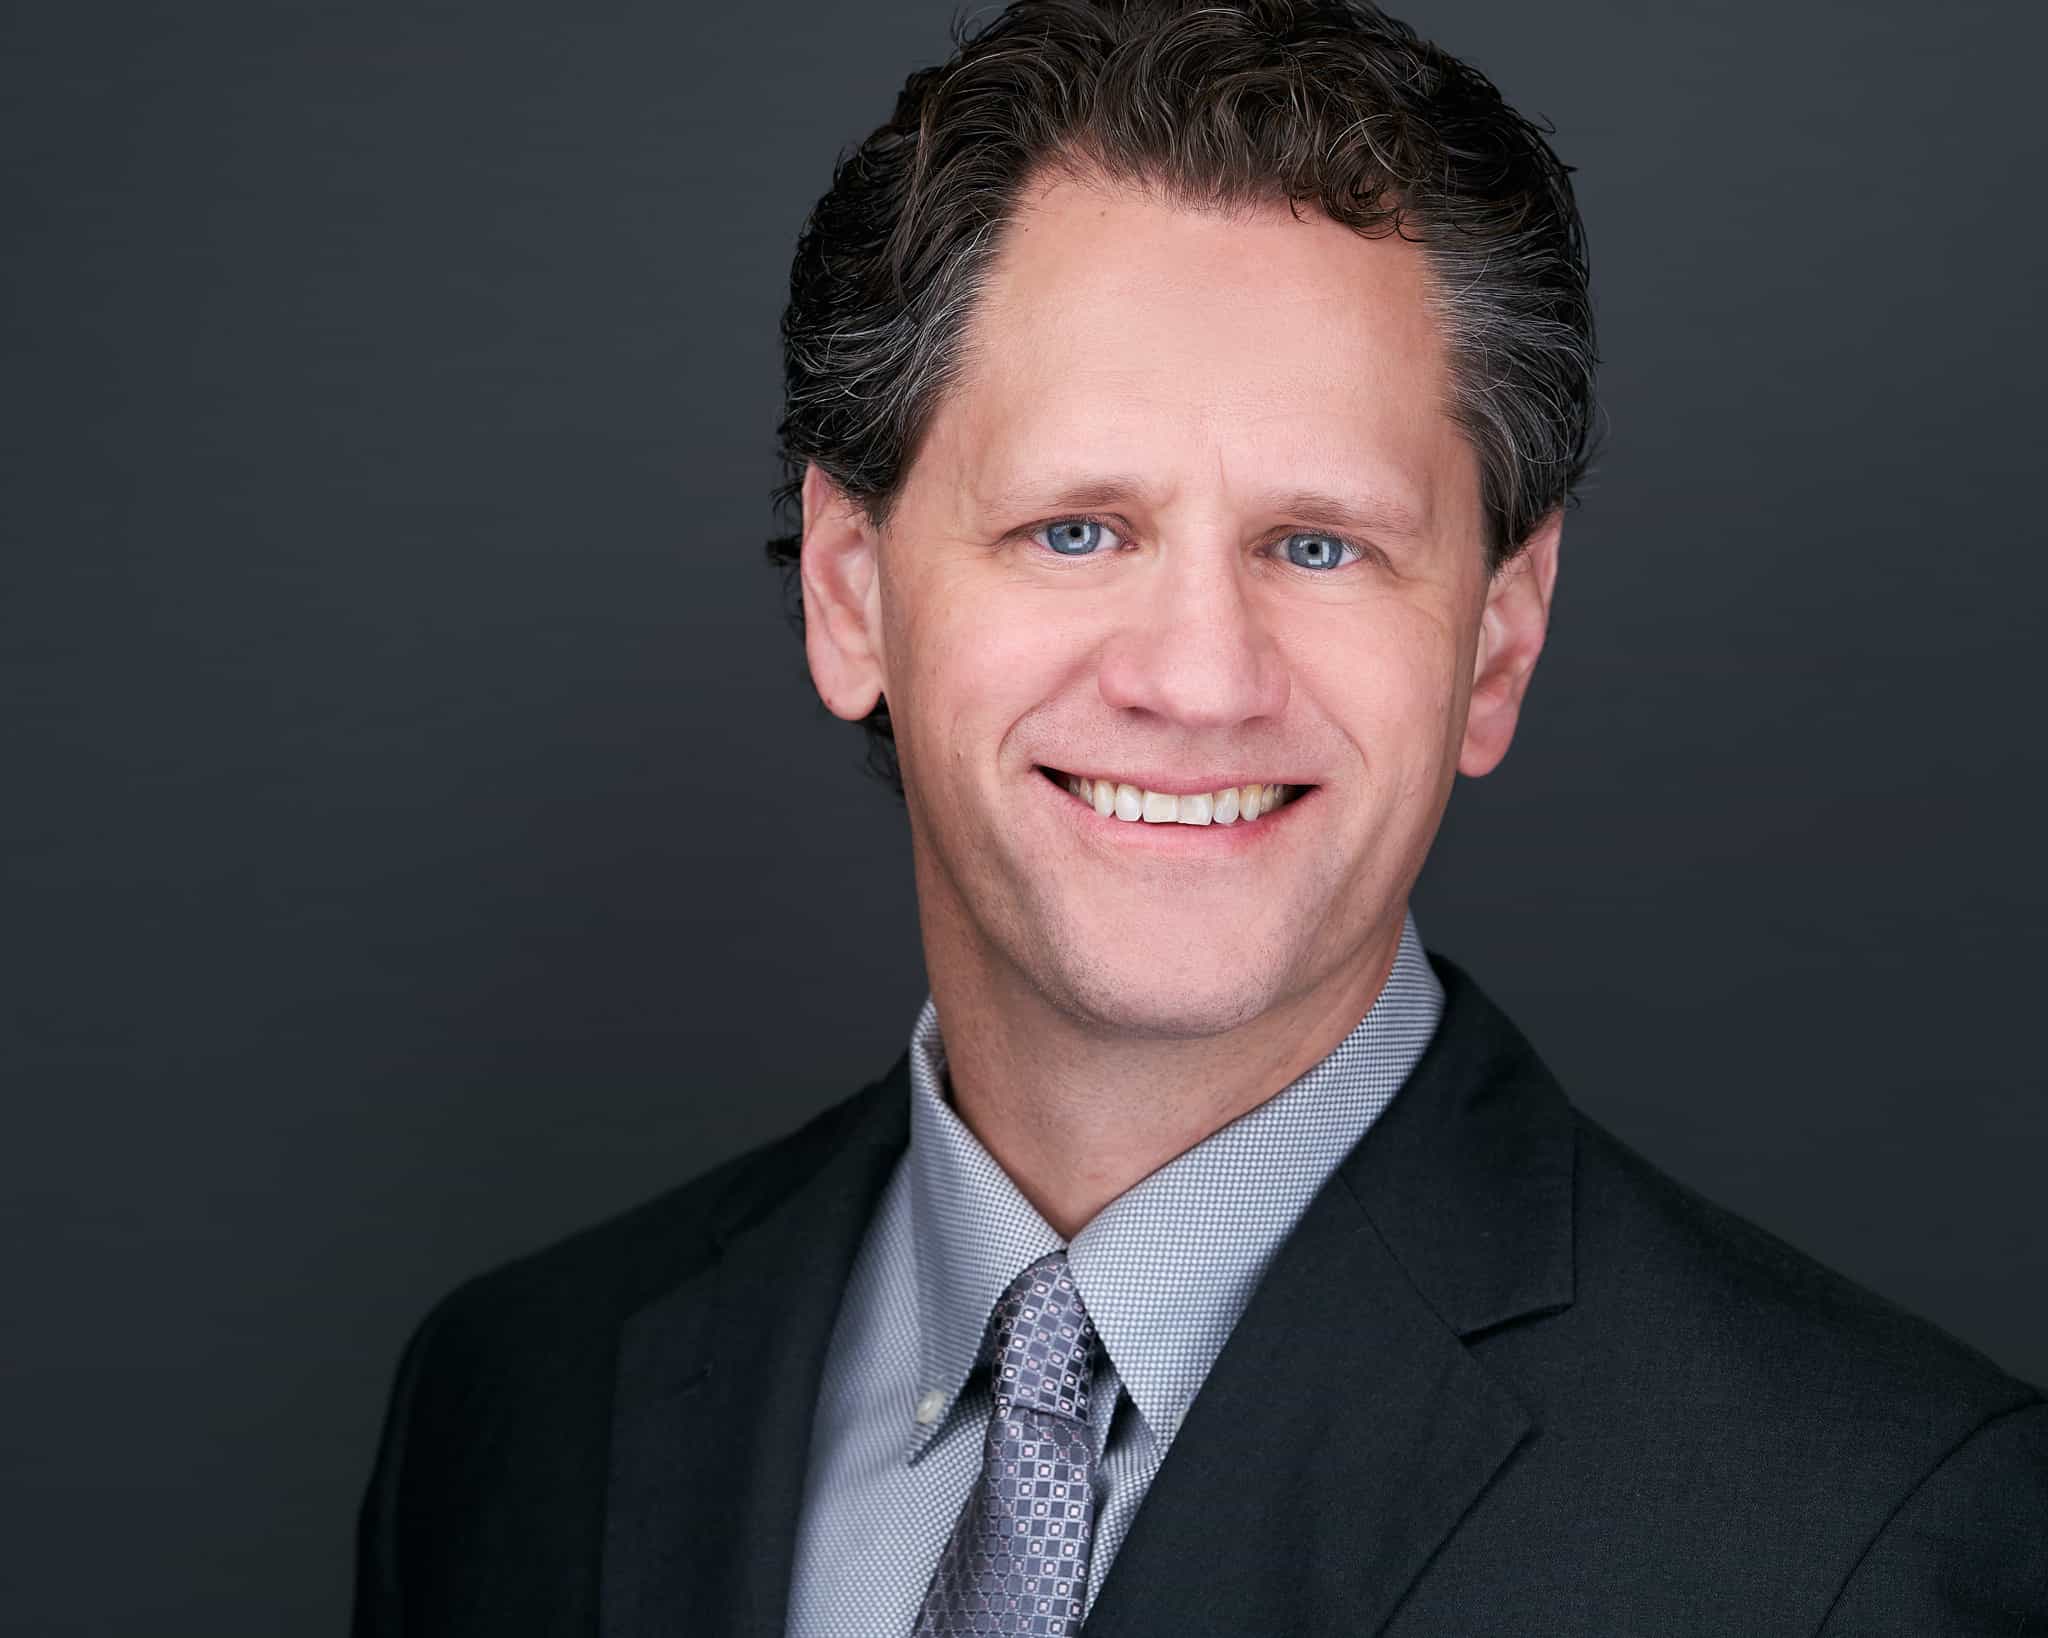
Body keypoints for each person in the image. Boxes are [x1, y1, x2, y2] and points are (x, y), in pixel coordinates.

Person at [352, 1, 2047, 1632]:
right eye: (1077, 529)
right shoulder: (518, 1406)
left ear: (1497, 640)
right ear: (851, 590)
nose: (1199, 677)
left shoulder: (1862, 1537)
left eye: (1320, 544)